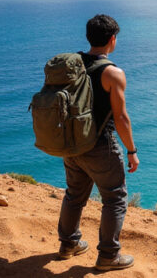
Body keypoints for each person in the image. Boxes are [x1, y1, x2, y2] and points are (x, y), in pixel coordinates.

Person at [57, 14, 139, 271]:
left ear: (88, 36)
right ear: (112, 40)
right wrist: (131, 151)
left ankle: (68, 245)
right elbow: (122, 118)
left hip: (71, 143)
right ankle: (108, 256)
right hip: (100, 145)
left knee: (74, 195)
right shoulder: (113, 73)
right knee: (115, 198)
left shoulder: (72, 65)